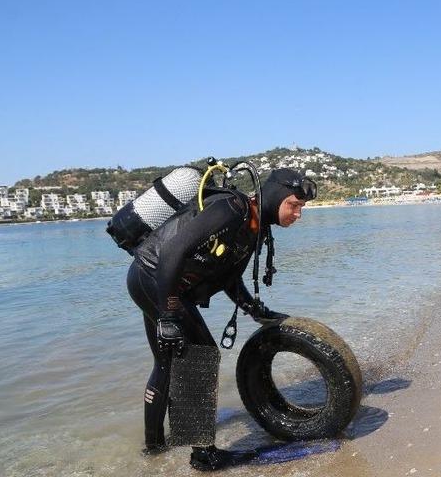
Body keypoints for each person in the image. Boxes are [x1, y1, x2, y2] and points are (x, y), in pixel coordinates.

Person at [125, 168, 316, 471]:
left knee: (166, 363)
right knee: (201, 355)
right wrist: (168, 312)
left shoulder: (254, 226)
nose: (298, 214)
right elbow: (174, 249)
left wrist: (253, 308)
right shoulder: (232, 209)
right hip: (154, 277)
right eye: (293, 205)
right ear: (277, 195)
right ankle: (204, 455)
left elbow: (228, 277)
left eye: (301, 208)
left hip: (157, 283)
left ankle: (154, 451)